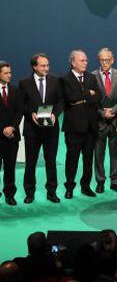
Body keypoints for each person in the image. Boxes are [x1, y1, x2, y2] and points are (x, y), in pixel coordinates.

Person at [19, 53, 63, 204]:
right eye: (43, 66)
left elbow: (60, 102)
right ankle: (29, 193)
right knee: (31, 163)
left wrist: (55, 115)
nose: (46, 68)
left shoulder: (56, 81)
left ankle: (52, 192)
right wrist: (30, 113)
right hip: (32, 130)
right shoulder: (24, 83)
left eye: (48, 65)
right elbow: (21, 104)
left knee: (51, 162)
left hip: (51, 129)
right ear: (34, 66)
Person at [61, 50, 101, 199]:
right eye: (82, 60)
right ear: (73, 62)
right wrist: (87, 95)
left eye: (86, 60)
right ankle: (69, 187)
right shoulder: (64, 79)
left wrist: (83, 98)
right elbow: (70, 98)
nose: (86, 63)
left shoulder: (91, 77)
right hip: (74, 127)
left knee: (88, 158)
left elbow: (98, 96)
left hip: (91, 127)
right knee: (72, 159)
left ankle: (86, 186)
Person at [92, 48, 117, 194]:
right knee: (98, 153)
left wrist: (113, 110)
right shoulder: (91, 76)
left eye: (107, 60)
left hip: (115, 120)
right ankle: (100, 181)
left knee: (115, 152)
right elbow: (90, 101)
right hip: (99, 120)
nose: (105, 63)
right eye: (102, 60)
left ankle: (115, 181)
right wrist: (101, 112)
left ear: (112, 60)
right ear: (98, 60)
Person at [0, 61, 22, 206]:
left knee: (10, 167)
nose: (10, 75)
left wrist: (12, 127)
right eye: (6, 73)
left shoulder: (15, 90)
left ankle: (10, 194)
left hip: (12, 136)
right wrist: (2, 129)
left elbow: (19, 111)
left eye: (10, 72)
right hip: (0, 135)